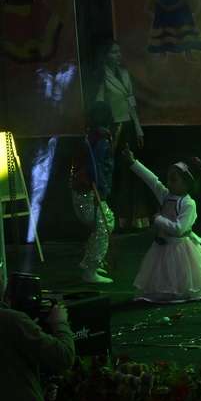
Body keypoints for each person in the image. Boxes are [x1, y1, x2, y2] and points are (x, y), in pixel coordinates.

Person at [123, 145, 201, 303]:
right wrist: (133, 162)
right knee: (164, 272)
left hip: (180, 248)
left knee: (181, 273)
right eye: (169, 179)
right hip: (162, 246)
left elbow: (179, 229)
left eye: (174, 179)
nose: (169, 183)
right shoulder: (166, 195)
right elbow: (152, 180)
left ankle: (181, 291)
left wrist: (158, 219)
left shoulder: (188, 204)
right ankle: (169, 291)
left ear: (187, 183)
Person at [93, 41, 148, 230]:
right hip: (113, 128)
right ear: (105, 55)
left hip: (128, 126)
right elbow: (99, 105)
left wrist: (138, 129)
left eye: (118, 52)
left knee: (132, 171)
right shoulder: (102, 76)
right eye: (113, 52)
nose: (118, 55)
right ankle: (116, 218)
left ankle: (135, 217)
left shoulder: (124, 74)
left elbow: (131, 104)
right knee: (115, 174)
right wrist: (102, 128)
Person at [69, 102, 116, 284]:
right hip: (89, 190)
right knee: (104, 225)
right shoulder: (101, 139)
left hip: (84, 188)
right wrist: (102, 188)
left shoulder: (92, 137)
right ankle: (90, 268)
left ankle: (91, 262)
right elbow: (96, 166)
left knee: (104, 224)